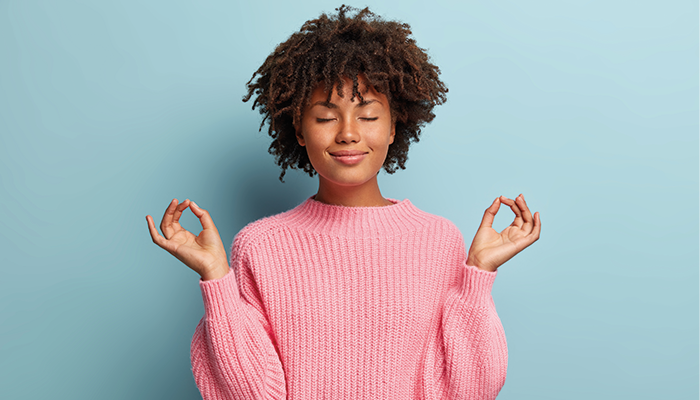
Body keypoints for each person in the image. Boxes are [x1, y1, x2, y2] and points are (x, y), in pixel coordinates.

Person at [146, 6, 540, 399]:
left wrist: (478, 275)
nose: (348, 134)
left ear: (393, 128)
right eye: (325, 118)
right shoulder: (260, 245)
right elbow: (248, 393)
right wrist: (217, 277)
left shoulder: (439, 240)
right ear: (298, 130)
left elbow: (467, 389)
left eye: (368, 116)